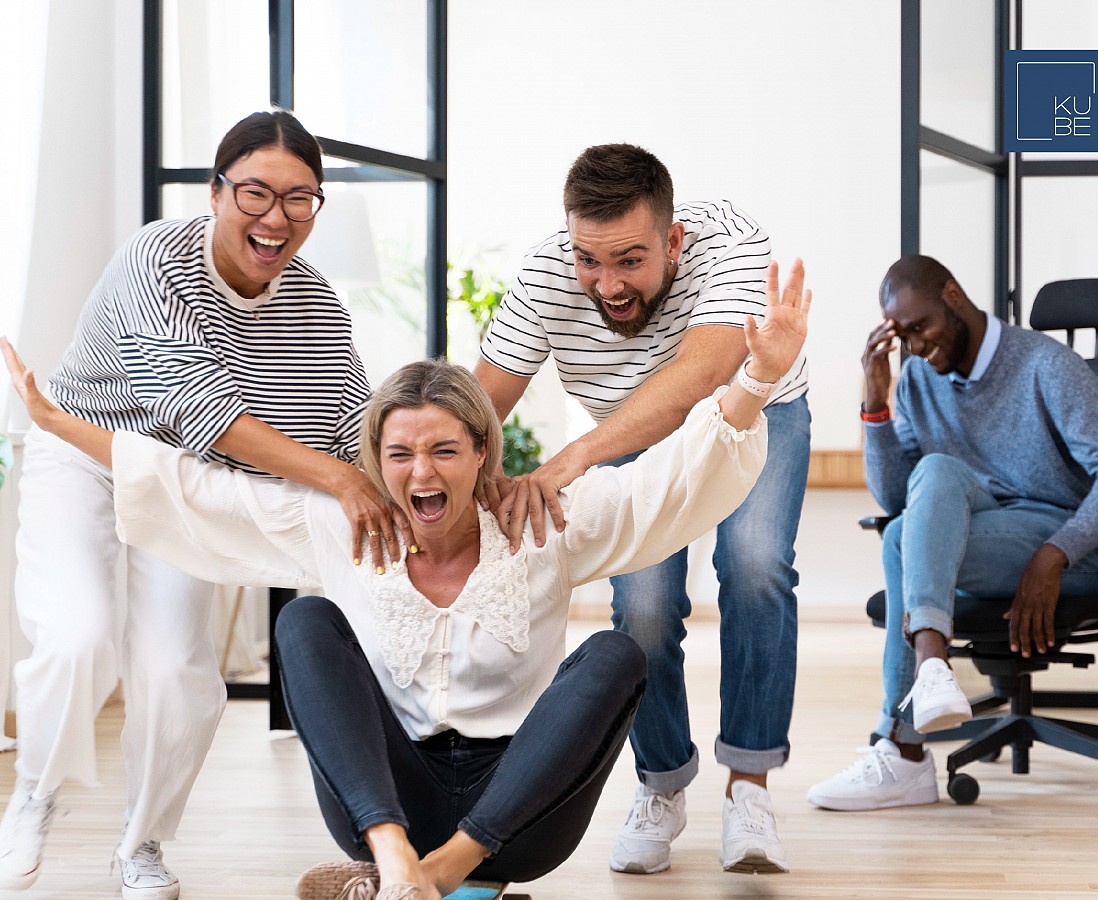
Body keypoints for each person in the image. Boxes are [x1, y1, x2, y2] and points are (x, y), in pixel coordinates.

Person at [2, 255, 812, 900]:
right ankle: (402, 868)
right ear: (376, 462)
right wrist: (57, 423)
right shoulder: (340, 524)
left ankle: (438, 877)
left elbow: (665, 482)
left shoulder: (541, 520)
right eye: (399, 454)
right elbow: (198, 490)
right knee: (305, 624)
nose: (420, 471)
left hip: (521, 819)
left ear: (482, 454)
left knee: (616, 655)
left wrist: (758, 379)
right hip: (381, 804)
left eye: (444, 451)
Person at [0, 110, 400, 898]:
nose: (276, 217)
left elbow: (351, 426)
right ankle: (34, 793)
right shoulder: (156, 257)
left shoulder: (315, 305)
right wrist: (339, 481)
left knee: (176, 668)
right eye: (255, 191)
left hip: (183, 483)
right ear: (216, 192)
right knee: (79, 638)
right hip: (86, 453)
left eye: (300, 199)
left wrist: (419, 478)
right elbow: (199, 405)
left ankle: (142, 844)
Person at [474, 143, 810, 875]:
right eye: (589, 261)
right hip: (623, 425)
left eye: (629, 260)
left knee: (755, 566)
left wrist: (569, 461)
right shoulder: (546, 274)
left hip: (755, 402)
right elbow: (480, 409)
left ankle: (749, 787)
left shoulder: (731, 239)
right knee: (647, 603)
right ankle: (662, 786)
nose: (605, 284)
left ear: (674, 240)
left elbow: (704, 375)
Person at [806, 254, 1098, 812]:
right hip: (988, 535)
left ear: (953, 294)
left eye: (921, 328)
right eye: (904, 337)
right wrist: (875, 403)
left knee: (901, 542)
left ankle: (903, 750)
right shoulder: (919, 377)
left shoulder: (1046, 364)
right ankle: (932, 672)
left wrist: (1053, 553)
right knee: (931, 479)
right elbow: (900, 499)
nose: (916, 348)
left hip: (1069, 545)